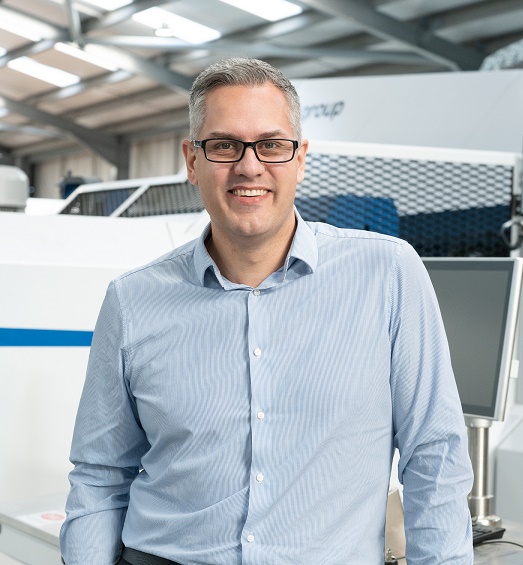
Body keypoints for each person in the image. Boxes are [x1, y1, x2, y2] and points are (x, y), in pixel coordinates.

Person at [60, 57, 473, 564]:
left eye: (272, 145)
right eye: (224, 145)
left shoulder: (388, 275)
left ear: (300, 158)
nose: (249, 166)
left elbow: (435, 455)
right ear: (192, 160)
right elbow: (100, 475)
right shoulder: (132, 300)